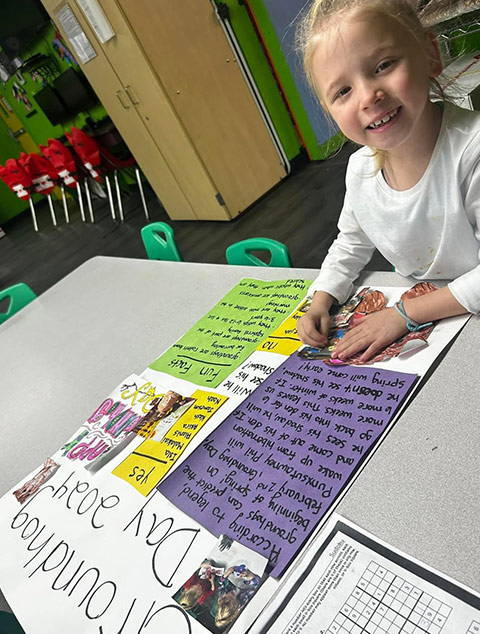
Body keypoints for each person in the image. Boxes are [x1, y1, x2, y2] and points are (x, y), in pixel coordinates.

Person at [296, 0, 480, 362]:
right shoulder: (361, 170)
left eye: (383, 66)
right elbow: (351, 243)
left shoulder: (472, 151)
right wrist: (322, 297)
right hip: (438, 331)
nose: (368, 97)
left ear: (430, 54)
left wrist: (403, 315)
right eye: (343, 91)